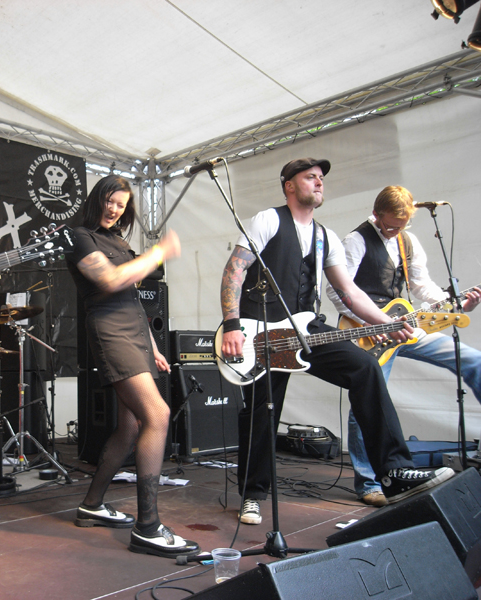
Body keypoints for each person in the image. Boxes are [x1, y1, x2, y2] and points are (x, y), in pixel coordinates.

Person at [219, 158, 454, 526]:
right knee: (262, 410)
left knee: (366, 368)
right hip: (261, 332)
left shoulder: (325, 236)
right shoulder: (268, 220)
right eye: (310, 177)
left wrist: (385, 322)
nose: (319, 183)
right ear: (289, 185)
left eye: (321, 178)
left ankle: (394, 472)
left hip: (306, 326)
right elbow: (234, 271)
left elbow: (349, 291)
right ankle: (253, 494)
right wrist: (232, 324)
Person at [66, 175, 199, 559]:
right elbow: (110, 280)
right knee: (158, 414)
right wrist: (159, 252)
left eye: (121, 205)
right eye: (109, 201)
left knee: (130, 427)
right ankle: (148, 527)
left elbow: (134, 299)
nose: (114, 209)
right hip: (111, 333)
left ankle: (91, 505)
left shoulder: (119, 242)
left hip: (135, 335)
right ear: (97, 199)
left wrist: (153, 346)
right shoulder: (79, 236)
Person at [326, 185, 481, 507]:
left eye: (402, 225)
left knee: (473, 361)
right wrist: (372, 322)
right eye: (390, 225)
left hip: (406, 326)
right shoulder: (355, 241)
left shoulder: (407, 241)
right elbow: (337, 291)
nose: (395, 231)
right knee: (367, 401)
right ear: (376, 213)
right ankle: (369, 482)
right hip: (369, 331)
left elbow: (421, 285)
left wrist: (455, 303)